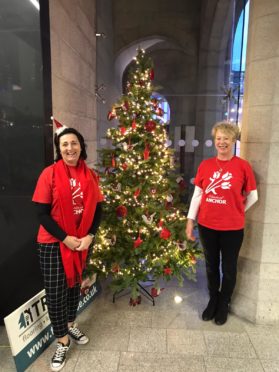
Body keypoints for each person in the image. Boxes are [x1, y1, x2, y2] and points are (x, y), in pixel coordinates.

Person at [32, 120, 103, 371]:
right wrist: (65, 238)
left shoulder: (91, 175)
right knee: (55, 293)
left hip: (82, 242)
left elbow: (99, 209)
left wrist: (90, 236)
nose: (70, 148)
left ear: (81, 147)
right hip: (53, 243)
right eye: (65, 144)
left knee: (75, 286)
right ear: (59, 148)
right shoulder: (48, 174)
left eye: (74, 143)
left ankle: (71, 324)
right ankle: (62, 340)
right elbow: (41, 213)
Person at [186, 121, 258, 325]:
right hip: (207, 225)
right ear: (214, 141)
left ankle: (224, 302)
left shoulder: (242, 166)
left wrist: (237, 210)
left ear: (233, 140)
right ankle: (213, 299)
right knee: (210, 265)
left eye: (226, 138)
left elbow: (253, 195)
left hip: (232, 228)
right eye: (218, 138)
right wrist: (190, 220)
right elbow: (197, 195)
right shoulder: (206, 165)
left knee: (229, 267)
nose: (222, 142)